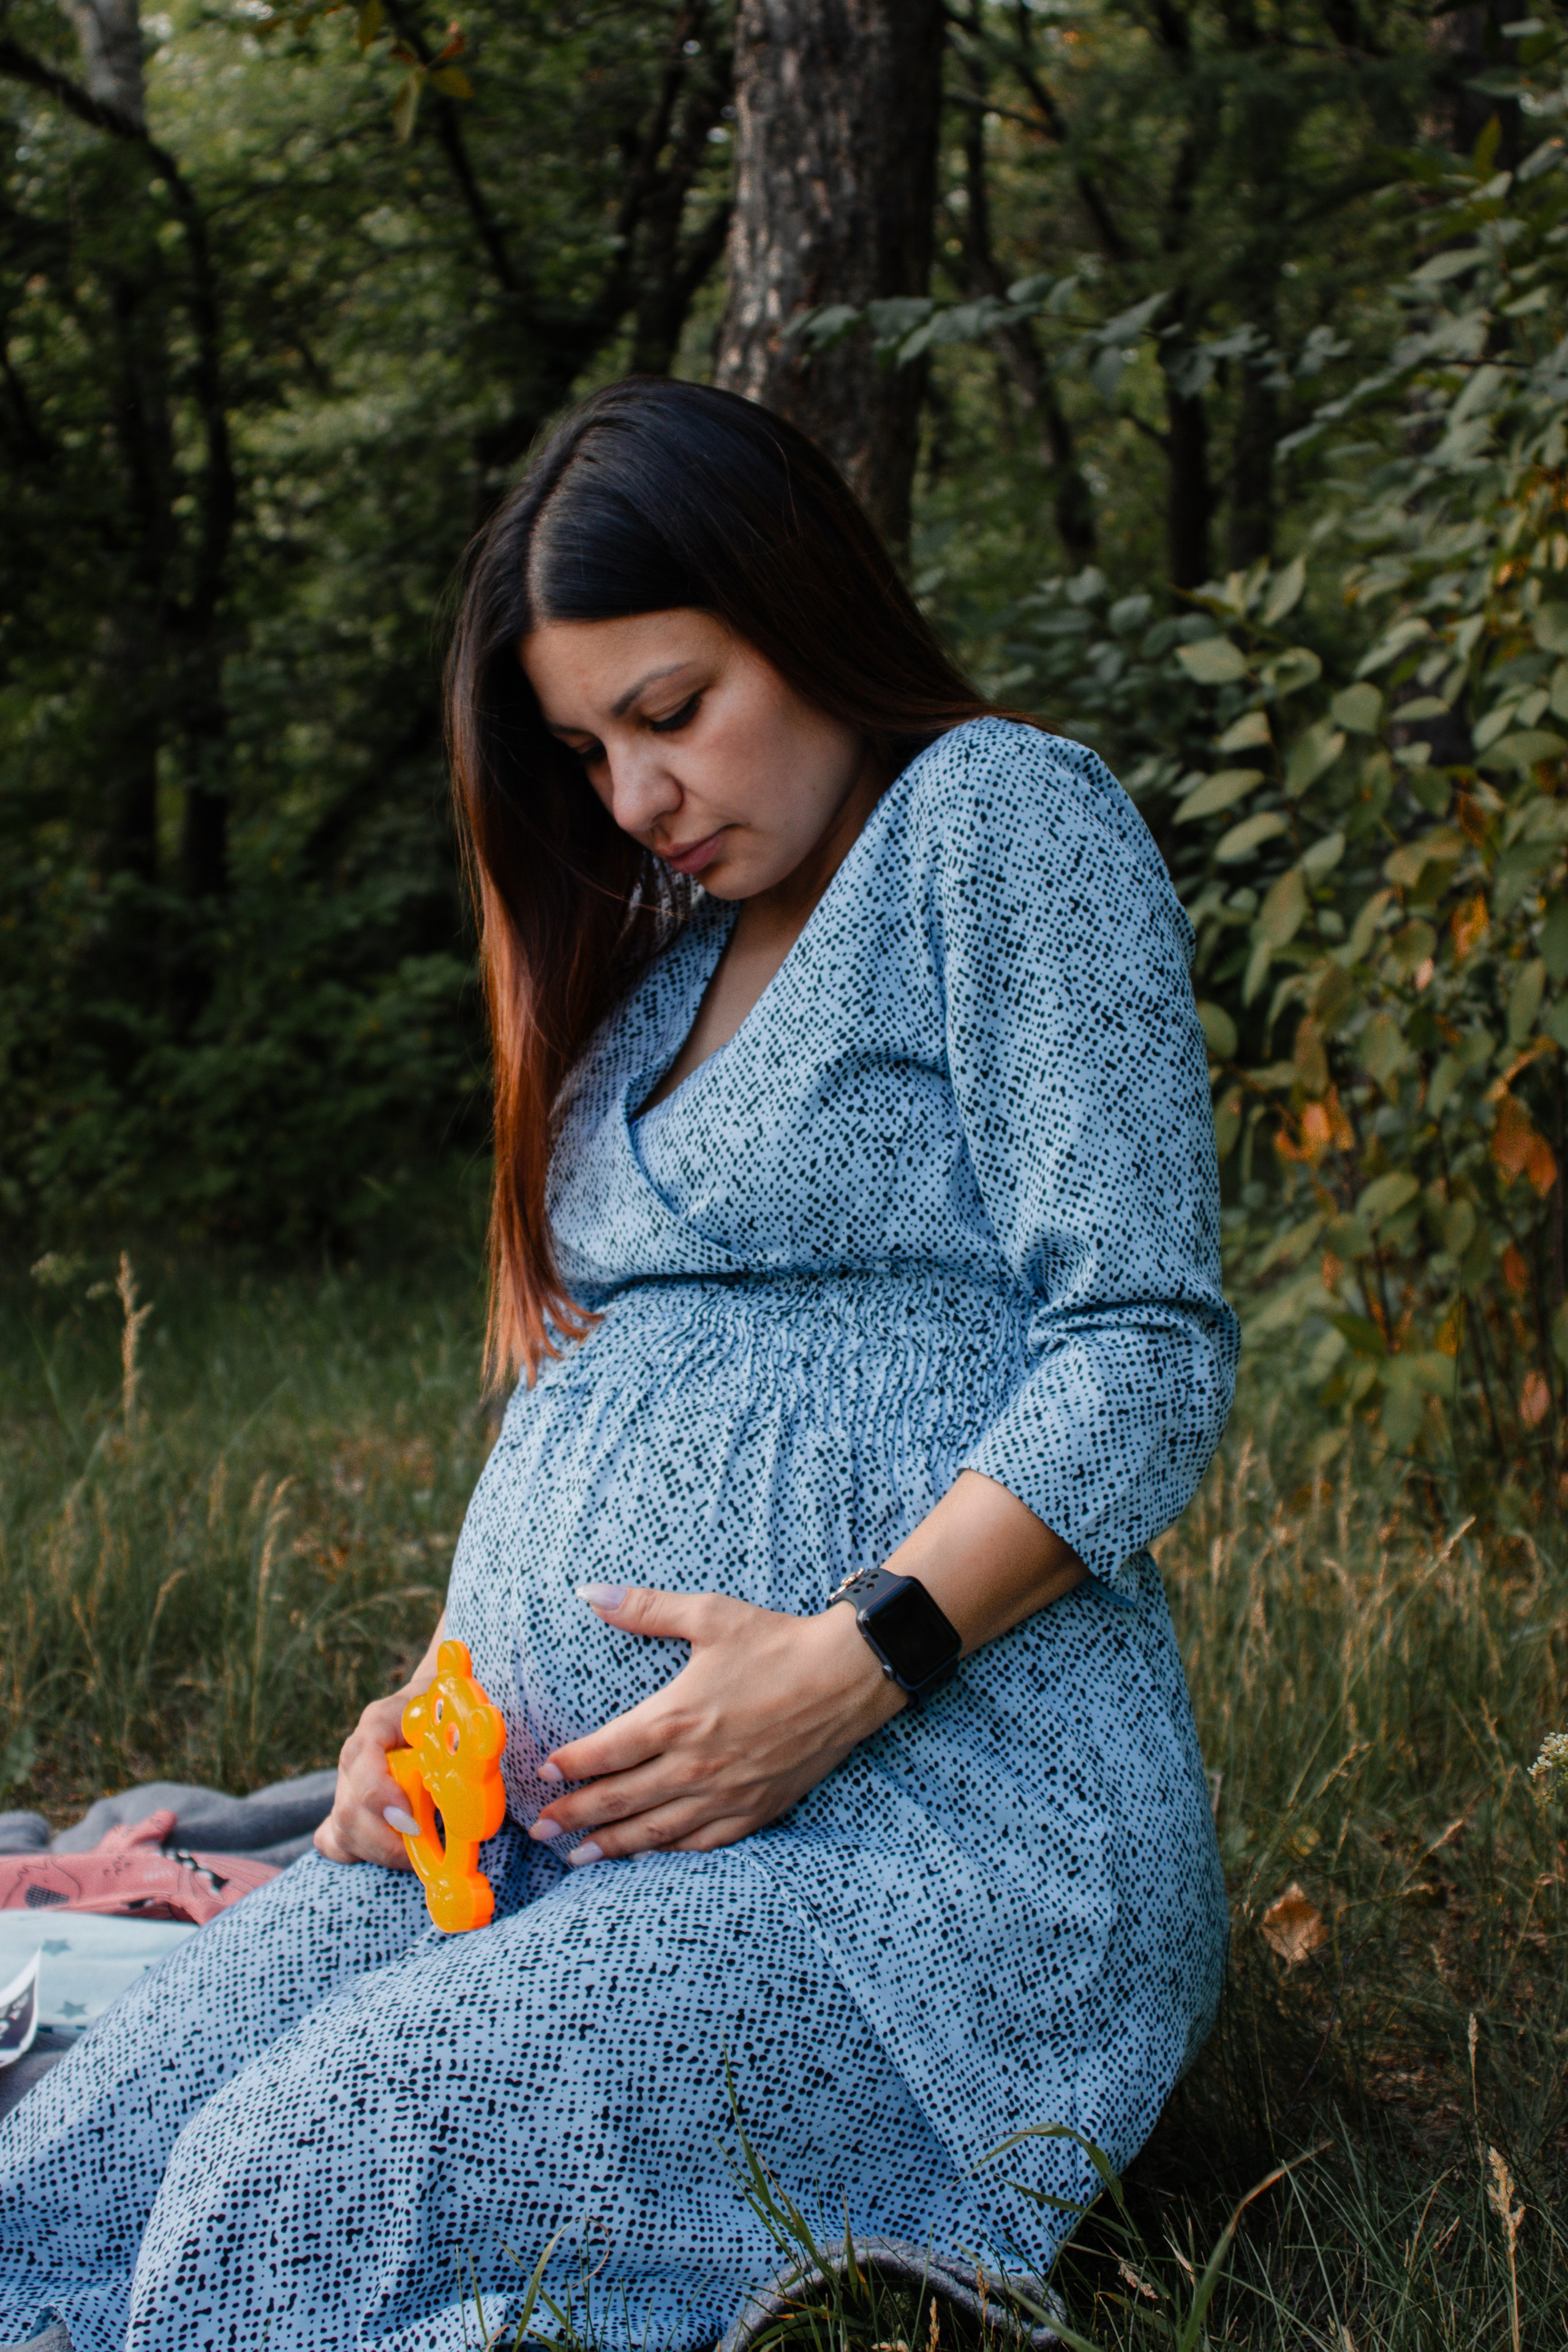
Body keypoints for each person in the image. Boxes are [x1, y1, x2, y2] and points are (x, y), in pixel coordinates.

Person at [0, 378, 1237, 2352]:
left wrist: (849, 1667)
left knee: (281, 2201)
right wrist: (426, 1710)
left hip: (922, 1850)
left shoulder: (994, 822)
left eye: (672, 710)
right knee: (63, 2172)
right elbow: (587, 1401)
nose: (639, 795)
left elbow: (1143, 1351)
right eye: (589, 750)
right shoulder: (661, 954)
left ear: (802, 608)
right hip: (535, 1838)